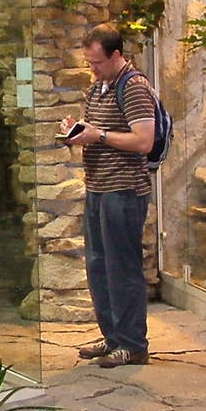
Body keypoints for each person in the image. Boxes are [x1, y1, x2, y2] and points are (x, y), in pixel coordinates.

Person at [58, 24, 156, 368]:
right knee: (99, 266)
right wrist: (77, 132)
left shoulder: (134, 87)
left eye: (97, 62)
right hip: (98, 188)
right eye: (89, 63)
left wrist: (97, 135)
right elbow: (98, 129)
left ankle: (133, 344)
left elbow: (143, 140)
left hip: (124, 191)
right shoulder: (99, 85)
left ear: (117, 55)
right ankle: (113, 337)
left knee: (122, 268)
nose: (93, 69)